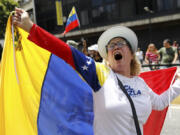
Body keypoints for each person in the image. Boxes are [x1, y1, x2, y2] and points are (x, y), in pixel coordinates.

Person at [12, 8, 180, 135]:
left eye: (120, 43)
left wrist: (178, 83)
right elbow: (65, 51)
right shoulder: (99, 73)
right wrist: (30, 27)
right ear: (107, 55)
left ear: (131, 52)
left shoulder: (140, 83)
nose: (115, 47)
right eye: (110, 46)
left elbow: (159, 102)